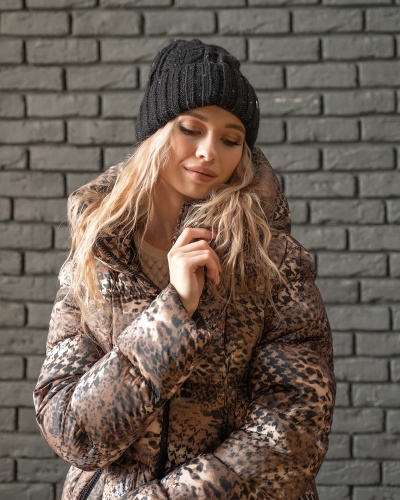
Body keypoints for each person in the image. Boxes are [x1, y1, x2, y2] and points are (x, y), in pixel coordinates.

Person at [34, 39, 335, 500]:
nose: (209, 151)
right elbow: (71, 431)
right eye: (191, 129)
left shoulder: (272, 261)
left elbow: (294, 432)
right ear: (156, 132)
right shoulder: (98, 254)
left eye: (230, 139)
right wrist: (172, 314)